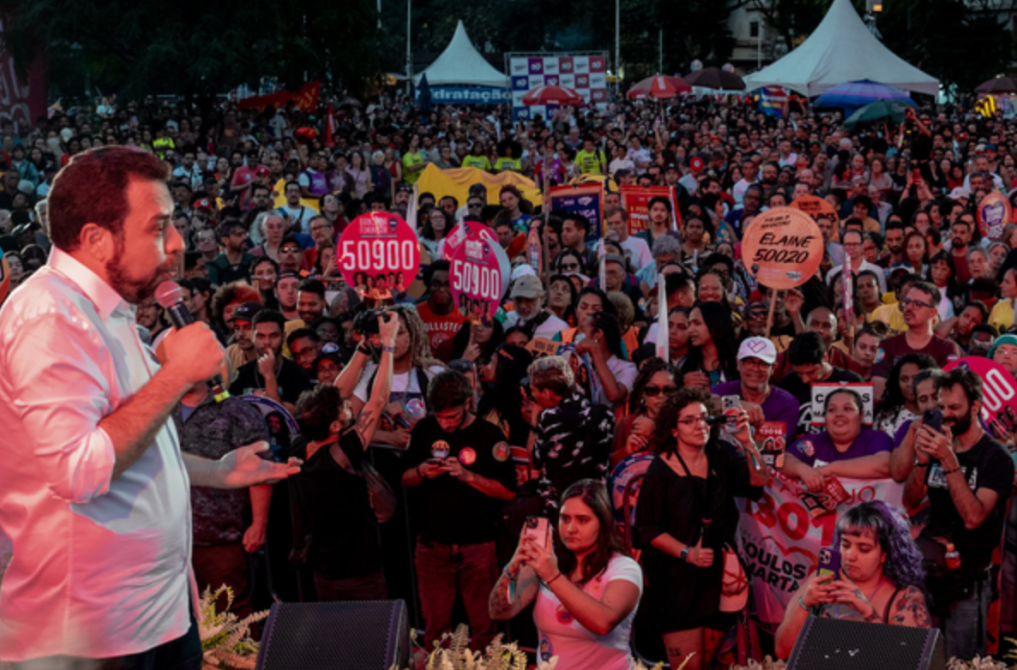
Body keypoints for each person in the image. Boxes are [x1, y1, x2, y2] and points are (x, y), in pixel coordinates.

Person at [0, 146, 300, 664]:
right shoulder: (49, 318)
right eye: (158, 227)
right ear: (96, 239)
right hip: (90, 638)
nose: (177, 243)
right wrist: (176, 375)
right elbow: (78, 470)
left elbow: (132, 443)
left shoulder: (112, 316)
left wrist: (218, 471)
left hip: (154, 618)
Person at [634, 388, 768, 670]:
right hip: (676, 582)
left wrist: (748, 443)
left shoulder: (720, 453)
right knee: (689, 667)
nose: (700, 425)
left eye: (705, 418)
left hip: (718, 576)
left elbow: (757, 481)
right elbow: (647, 529)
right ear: (672, 428)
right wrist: (686, 553)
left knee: (706, 662)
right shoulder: (660, 471)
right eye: (689, 420)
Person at [903, 367, 1015, 661]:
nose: (946, 414)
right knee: (920, 658)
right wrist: (922, 461)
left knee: (960, 661)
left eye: (954, 407)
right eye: (941, 406)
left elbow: (974, 517)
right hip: (927, 572)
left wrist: (949, 460)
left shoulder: (996, 458)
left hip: (969, 581)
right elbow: (910, 501)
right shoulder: (937, 444)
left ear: (975, 407)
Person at [401, 370, 517, 651]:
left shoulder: (490, 434)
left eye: (452, 417)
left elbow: (508, 491)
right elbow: (404, 479)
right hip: (432, 545)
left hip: (478, 545)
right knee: (436, 630)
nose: (446, 424)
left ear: (468, 402)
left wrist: (468, 476)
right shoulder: (424, 430)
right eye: (440, 417)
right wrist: (421, 471)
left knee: (485, 628)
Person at [290, 311, 399, 601]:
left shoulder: (301, 448)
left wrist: (363, 348)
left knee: (336, 641)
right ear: (335, 426)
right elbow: (377, 400)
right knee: (370, 639)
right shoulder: (342, 455)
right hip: (360, 572)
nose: (350, 406)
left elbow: (333, 393)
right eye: (346, 410)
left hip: (324, 570)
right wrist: (387, 345)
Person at [488, 480, 642, 670]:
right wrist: (511, 569)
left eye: (582, 520)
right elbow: (499, 612)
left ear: (602, 523)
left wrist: (552, 577)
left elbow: (603, 622)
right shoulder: (546, 564)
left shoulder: (624, 568)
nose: (571, 529)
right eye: (565, 518)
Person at [774, 501, 931, 659]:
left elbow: (908, 662)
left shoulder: (906, 597)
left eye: (864, 549)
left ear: (885, 554)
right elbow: (782, 652)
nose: (850, 556)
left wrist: (867, 611)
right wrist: (804, 604)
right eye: (845, 545)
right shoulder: (819, 580)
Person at [528, 356, 615, 516]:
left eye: (533, 392)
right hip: (594, 503)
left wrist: (534, 418)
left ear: (547, 393)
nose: (533, 398)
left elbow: (536, 461)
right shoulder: (604, 414)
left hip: (558, 506)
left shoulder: (548, 417)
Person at [782, 388, 892, 491]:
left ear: (861, 415)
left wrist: (829, 469)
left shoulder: (876, 438)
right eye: (831, 409)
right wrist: (802, 470)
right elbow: (783, 461)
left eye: (847, 408)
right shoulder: (813, 442)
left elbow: (886, 466)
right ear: (825, 417)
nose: (839, 414)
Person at [872, 281, 961, 400]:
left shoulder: (947, 349)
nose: (908, 307)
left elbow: (948, 389)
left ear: (932, 313)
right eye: (907, 302)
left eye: (917, 304)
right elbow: (877, 387)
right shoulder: (886, 345)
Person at [712, 337, 799, 439]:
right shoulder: (723, 390)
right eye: (748, 362)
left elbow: (778, 446)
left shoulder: (787, 403)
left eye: (763, 363)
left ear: (773, 368)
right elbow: (707, 403)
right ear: (738, 365)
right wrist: (738, 406)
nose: (755, 369)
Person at [229, 308, 314, 413]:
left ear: (283, 337)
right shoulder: (240, 374)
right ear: (253, 337)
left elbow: (282, 418)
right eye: (261, 336)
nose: (267, 342)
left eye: (273, 336)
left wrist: (269, 375)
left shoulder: (298, 375)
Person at [780, 332, 864, 436]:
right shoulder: (789, 382)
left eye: (811, 372)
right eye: (799, 373)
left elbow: (864, 430)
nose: (805, 380)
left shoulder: (852, 382)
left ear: (825, 357)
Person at [612, 359, 677, 465]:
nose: (661, 396)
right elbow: (608, 467)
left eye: (668, 391)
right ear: (643, 394)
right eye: (653, 390)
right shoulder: (628, 423)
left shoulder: (684, 422)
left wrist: (656, 431)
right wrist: (626, 451)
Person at [874, 354, 938, 440]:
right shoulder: (886, 416)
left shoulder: (942, 412)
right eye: (904, 379)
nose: (909, 384)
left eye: (916, 378)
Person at [415, 260, 466, 360]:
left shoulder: (465, 315)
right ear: (428, 287)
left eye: (448, 285)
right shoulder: (414, 313)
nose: (442, 289)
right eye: (436, 284)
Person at [502, 275, 569, 339]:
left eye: (529, 299)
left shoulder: (559, 327)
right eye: (518, 299)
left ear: (541, 299)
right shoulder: (506, 320)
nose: (523, 305)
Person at [206, 219, 253, 286]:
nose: (245, 237)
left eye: (244, 234)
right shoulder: (215, 266)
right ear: (225, 240)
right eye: (239, 235)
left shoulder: (252, 261)